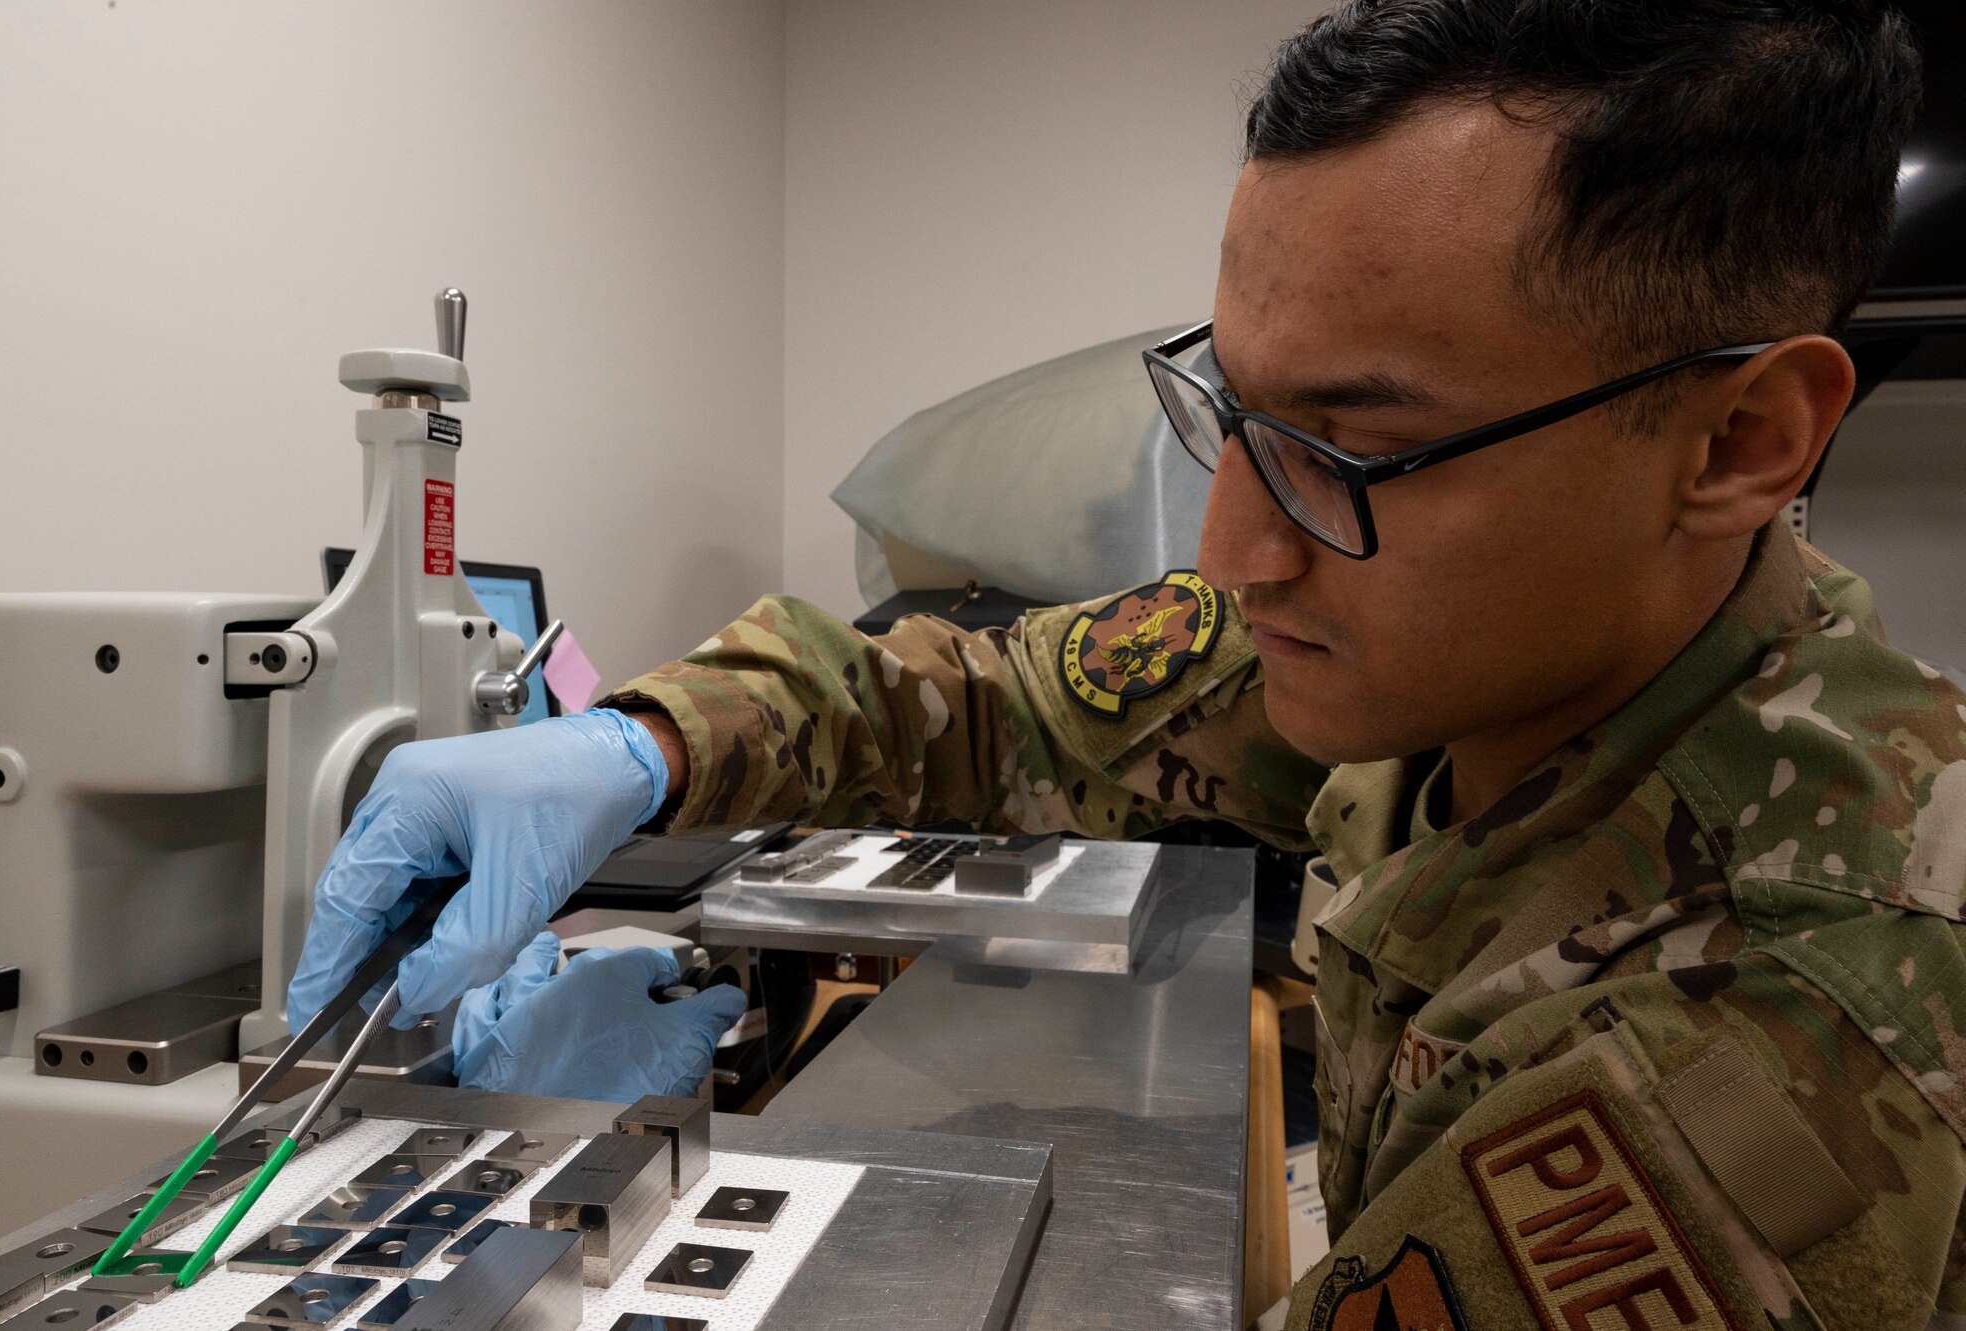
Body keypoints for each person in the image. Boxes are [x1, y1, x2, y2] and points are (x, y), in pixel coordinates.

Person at [289, 0, 1959, 1324]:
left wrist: (546, 1224)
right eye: (1235, 410)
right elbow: (990, 691)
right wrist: (637, 746)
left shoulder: (1769, 1036)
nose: (1235, 551)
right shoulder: (1485, 649)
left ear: (1740, 437)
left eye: (1355, 449)